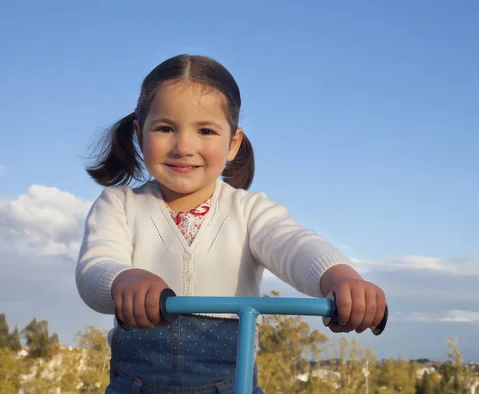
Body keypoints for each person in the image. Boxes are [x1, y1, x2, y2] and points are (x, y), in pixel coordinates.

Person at [75, 54, 387, 394]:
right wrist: (122, 278)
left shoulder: (250, 211)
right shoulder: (119, 205)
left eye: (206, 130)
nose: (184, 146)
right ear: (140, 133)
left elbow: (294, 245)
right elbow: (95, 268)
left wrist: (341, 279)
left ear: (233, 143)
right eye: (165, 128)